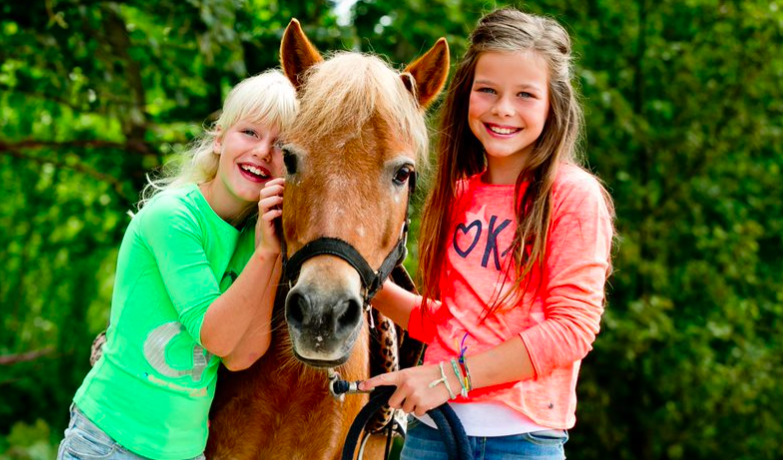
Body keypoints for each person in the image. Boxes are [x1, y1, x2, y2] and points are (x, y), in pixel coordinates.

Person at [358, 8, 615, 459]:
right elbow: (451, 323)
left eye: (525, 95)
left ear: (554, 104)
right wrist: (362, 283)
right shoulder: (457, 195)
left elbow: (572, 329)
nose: (503, 109)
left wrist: (449, 377)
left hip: (521, 441)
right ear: (466, 96)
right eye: (488, 90)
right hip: (432, 431)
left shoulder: (574, 196)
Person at [58, 70, 297, 460]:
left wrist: (266, 252)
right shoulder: (174, 217)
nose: (262, 152)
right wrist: (266, 255)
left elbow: (240, 356)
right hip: (106, 441)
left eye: (281, 145)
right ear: (220, 137)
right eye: (250, 133)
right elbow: (217, 339)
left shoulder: (255, 238)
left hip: (184, 452)